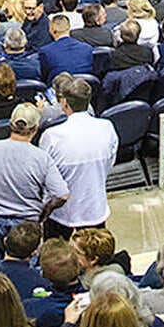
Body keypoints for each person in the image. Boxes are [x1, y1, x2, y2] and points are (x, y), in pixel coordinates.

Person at [0, 102, 69, 231]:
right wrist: (45, 212)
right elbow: (62, 195)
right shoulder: (42, 158)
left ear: (10, 124)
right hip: (27, 227)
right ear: (36, 128)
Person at [41, 75, 118, 232]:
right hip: (94, 208)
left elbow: (44, 175)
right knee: (96, 253)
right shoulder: (107, 127)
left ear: (64, 104)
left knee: (56, 255)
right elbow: (110, 163)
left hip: (61, 213)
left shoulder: (51, 136)